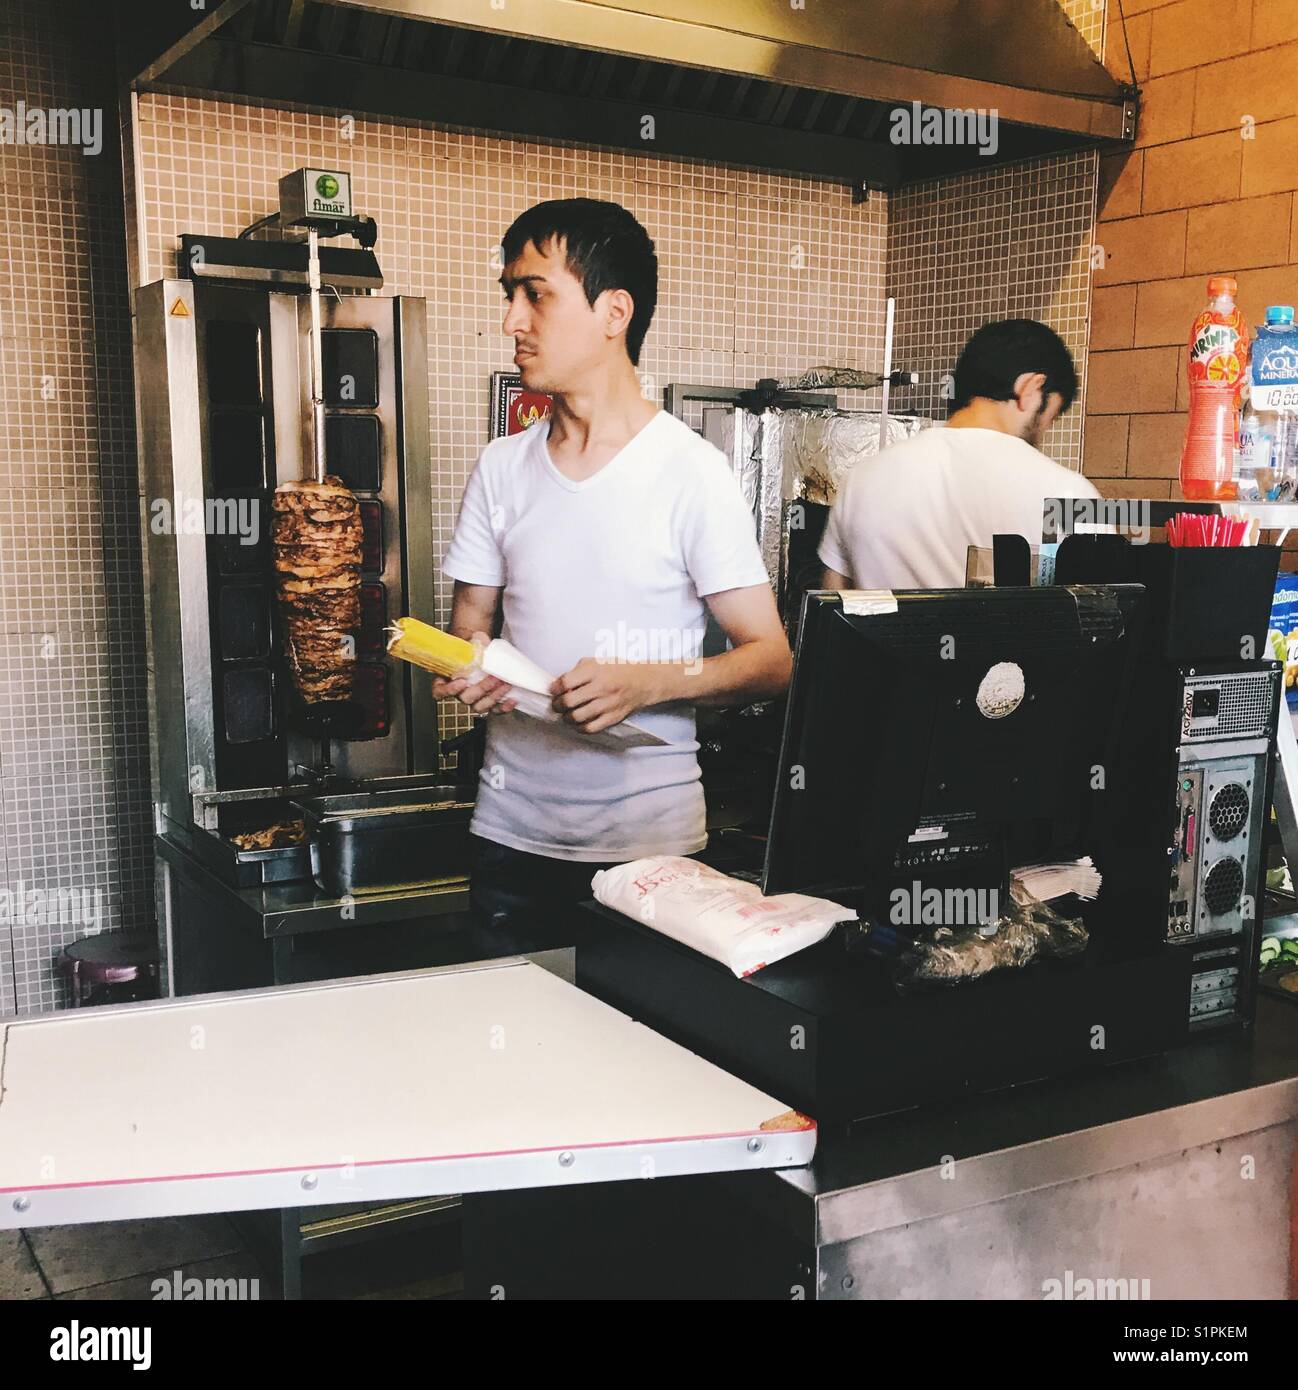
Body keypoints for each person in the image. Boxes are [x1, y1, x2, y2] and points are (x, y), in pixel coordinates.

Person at [437, 197, 791, 946]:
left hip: (652, 855)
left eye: (536, 294)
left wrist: (649, 682)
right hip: (509, 839)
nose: (512, 321)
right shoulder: (501, 469)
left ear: (613, 311)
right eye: (510, 295)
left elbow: (771, 660)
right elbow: (468, 629)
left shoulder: (691, 472)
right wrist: (471, 668)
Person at [819, 318, 1103, 591]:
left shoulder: (862, 479)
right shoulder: (1069, 494)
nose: (1042, 435)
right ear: (1030, 389)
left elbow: (833, 602)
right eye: (1050, 417)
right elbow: (1097, 621)